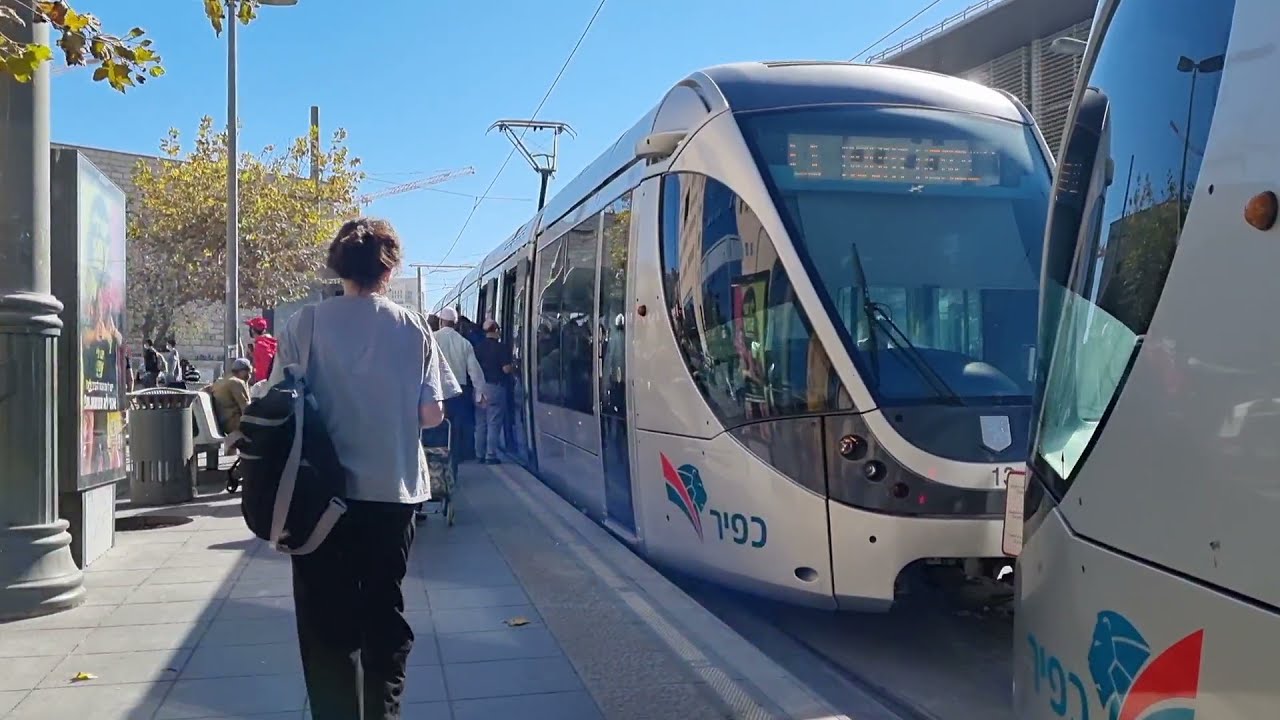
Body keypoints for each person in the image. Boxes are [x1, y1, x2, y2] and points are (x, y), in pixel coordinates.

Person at [268, 217, 450, 720]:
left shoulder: (304, 325)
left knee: (327, 629)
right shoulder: (413, 327)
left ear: (337, 267)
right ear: (389, 270)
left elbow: (276, 405)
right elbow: (431, 414)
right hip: (392, 495)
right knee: (383, 619)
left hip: (318, 502)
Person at [434, 307, 485, 463]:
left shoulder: (431, 338)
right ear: (455, 324)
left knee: (438, 428)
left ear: (441, 322)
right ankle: (454, 460)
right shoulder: (465, 343)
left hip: (437, 391)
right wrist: (479, 393)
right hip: (458, 392)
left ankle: (438, 461)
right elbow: (474, 371)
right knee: (457, 430)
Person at [473, 319, 512, 464]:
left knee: (480, 423)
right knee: (494, 423)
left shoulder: (478, 348)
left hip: (479, 388)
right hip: (495, 388)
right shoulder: (501, 348)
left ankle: (479, 454)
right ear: (495, 330)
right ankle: (490, 455)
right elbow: (506, 369)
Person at [205, 358, 253, 434]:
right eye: (249, 372)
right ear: (243, 371)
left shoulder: (221, 381)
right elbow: (247, 409)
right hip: (233, 424)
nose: (250, 376)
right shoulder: (236, 382)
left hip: (222, 423)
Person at [246, 316, 278, 385]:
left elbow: (265, 365)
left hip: (263, 384)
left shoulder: (260, 345)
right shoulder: (273, 342)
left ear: (253, 330)